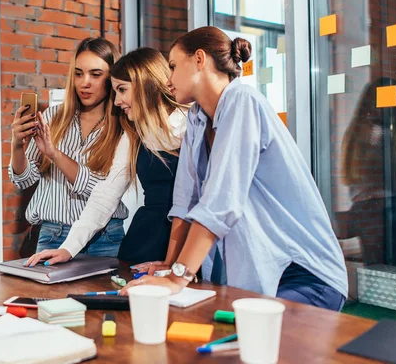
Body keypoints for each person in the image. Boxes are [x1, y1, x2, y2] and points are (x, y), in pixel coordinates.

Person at [121, 26, 348, 311]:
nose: (168, 79)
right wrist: (169, 267)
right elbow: (184, 202)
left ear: (199, 60)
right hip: (261, 275)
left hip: (301, 274)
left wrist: (179, 277)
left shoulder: (243, 101)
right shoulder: (196, 119)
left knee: (250, 341)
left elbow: (219, 202)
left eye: (174, 66)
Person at [24, 47, 191, 267]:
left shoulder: (191, 122)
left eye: (122, 90)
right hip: (148, 237)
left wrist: (172, 263)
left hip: (187, 237)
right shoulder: (134, 133)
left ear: (145, 84)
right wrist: (68, 248)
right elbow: (105, 195)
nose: (117, 101)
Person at [10, 38, 127, 264]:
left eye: (95, 74)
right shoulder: (53, 117)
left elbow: (102, 192)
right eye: (78, 73)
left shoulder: (123, 127)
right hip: (52, 235)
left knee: (102, 300)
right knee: (49, 300)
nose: (85, 83)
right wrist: (16, 143)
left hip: (105, 239)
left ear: (112, 77)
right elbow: (24, 180)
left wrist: (54, 154)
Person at [340, 77, 396, 266]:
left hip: (365, 209)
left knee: (376, 268)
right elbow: (389, 174)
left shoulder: (356, 130)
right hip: (383, 209)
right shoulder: (379, 134)